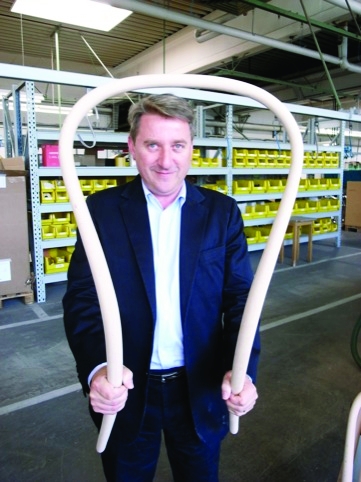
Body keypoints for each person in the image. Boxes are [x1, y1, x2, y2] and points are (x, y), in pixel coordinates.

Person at [63, 93, 261, 482]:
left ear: (191, 150)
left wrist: (243, 371)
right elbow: (83, 299)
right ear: (132, 148)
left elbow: (241, 300)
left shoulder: (222, 214)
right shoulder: (100, 211)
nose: (166, 161)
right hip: (127, 391)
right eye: (152, 144)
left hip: (201, 387)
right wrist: (99, 369)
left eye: (178, 146)